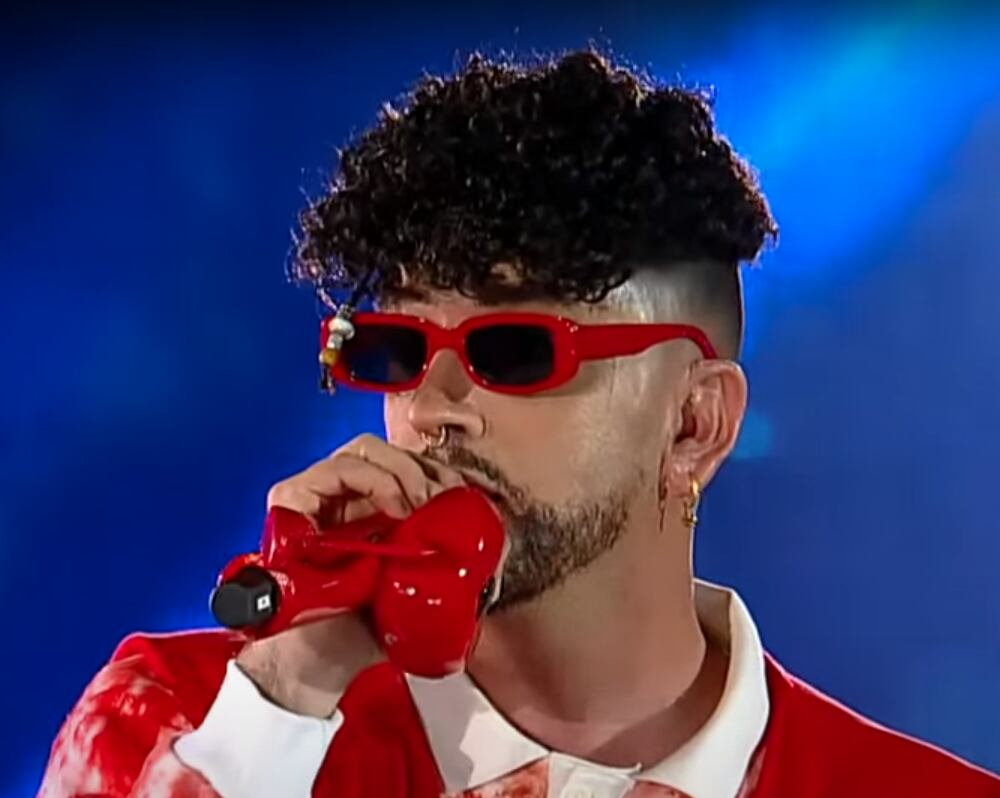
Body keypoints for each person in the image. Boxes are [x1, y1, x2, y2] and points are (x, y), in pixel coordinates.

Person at [39, 49, 1000, 798]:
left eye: (513, 351)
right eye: (397, 350)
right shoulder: (174, 726)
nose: (431, 409)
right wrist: (282, 705)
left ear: (694, 425)